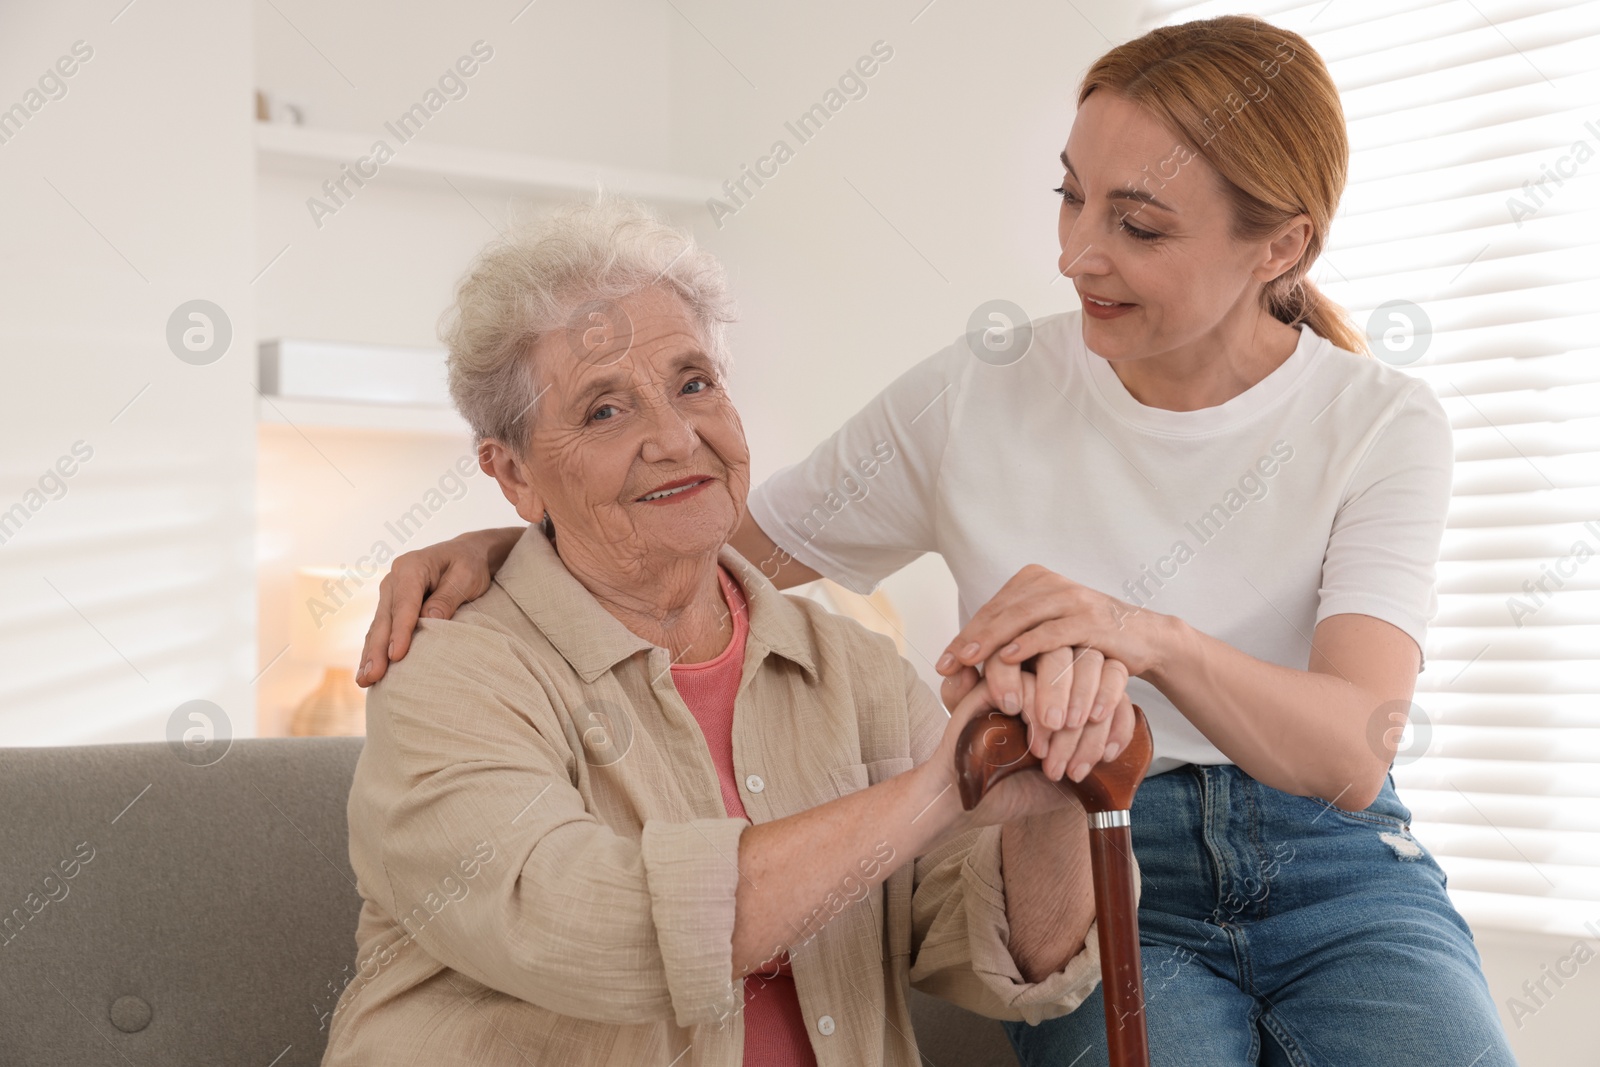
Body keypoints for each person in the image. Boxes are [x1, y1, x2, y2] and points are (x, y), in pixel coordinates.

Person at [359, 14, 1519, 1066]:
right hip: (1117, 829)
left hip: (1335, 857)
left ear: (1278, 249)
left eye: (1137, 225)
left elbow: (1350, 748)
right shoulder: (980, 390)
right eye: (1070, 198)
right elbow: (705, 539)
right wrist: (516, 539)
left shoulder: (1374, 420)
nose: (1074, 255)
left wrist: (1137, 638)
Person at [320, 197, 1136, 1067]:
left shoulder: (850, 668)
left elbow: (1004, 951)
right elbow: (599, 929)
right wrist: (942, 787)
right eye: (604, 410)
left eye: (693, 383)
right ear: (513, 473)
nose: (675, 437)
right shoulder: (451, 675)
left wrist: (1050, 774)